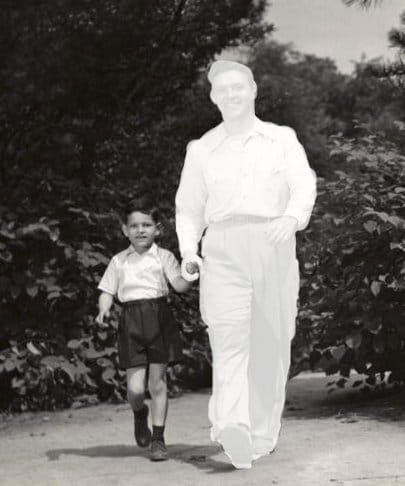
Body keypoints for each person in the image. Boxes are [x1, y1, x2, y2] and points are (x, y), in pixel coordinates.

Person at [175, 60, 316, 469]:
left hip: (273, 242)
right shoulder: (201, 150)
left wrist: (291, 218)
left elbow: (303, 184)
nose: (231, 95)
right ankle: (232, 426)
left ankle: (260, 434)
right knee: (229, 336)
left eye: (238, 87)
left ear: (253, 90)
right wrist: (189, 250)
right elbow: (188, 209)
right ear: (213, 98)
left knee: (272, 340)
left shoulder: (280, 139)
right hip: (222, 246)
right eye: (222, 89)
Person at [96, 198, 191, 461]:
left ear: (157, 229)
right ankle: (140, 414)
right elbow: (106, 290)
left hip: (159, 319)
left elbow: (180, 286)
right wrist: (104, 307)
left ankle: (159, 439)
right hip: (131, 322)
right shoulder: (119, 261)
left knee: (157, 384)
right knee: (136, 389)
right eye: (134, 225)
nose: (140, 230)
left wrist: (192, 273)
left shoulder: (164, 257)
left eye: (147, 225)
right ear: (125, 230)